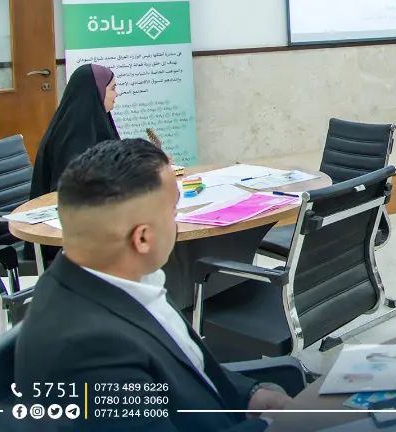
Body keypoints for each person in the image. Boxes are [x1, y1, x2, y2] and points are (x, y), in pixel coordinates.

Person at [15, 139, 291, 430]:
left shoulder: (125, 276)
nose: (177, 221)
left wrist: (250, 395)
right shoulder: (88, 353)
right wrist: (286, 424)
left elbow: (189, 367)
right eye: (174, 211)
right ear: (143, 238)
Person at [30, 63, 120, 200]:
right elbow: (73, 190)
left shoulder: (99, 122)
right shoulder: (72, 138)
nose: (116, 94)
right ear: (96, 92)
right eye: (112, 88)